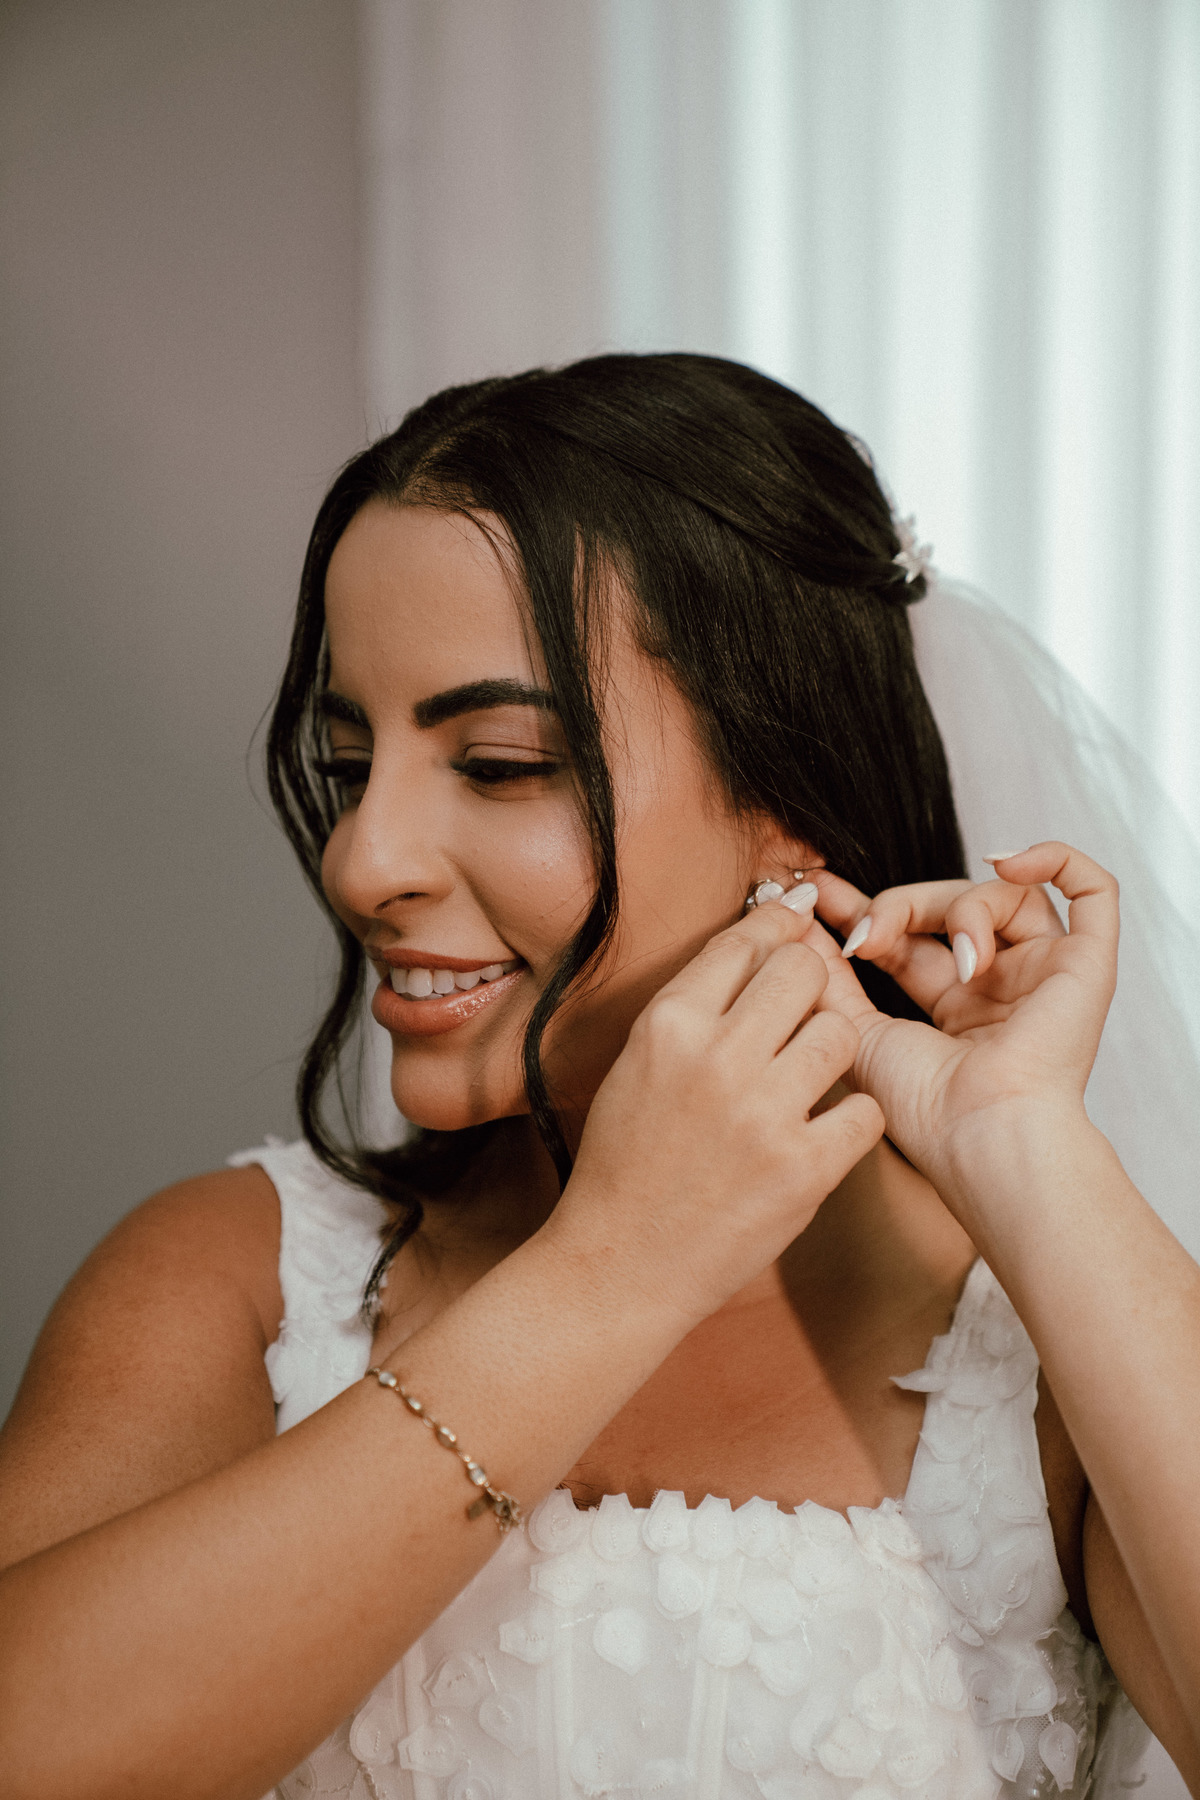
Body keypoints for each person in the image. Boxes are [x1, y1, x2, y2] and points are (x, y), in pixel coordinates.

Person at [0, 353, 1197, 1800]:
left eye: (499, 764)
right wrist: (618, 1266)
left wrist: (1022, 1145)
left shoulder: (1047, 1355)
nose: (363, 863)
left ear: (791, 804)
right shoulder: (227, 1278)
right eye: (350, 763)